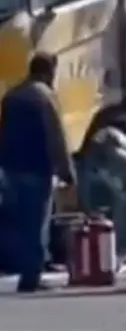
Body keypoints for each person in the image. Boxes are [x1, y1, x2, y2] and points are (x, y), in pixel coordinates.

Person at [0, 53, 75, 292]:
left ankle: (23, 268)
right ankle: (31, 277)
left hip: (11, 168)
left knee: (19, 222)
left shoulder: (11, 96)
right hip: (36, 168)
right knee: (36, 223)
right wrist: (67, 171)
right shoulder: (45, 97)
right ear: (47, 71)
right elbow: (56, 136)